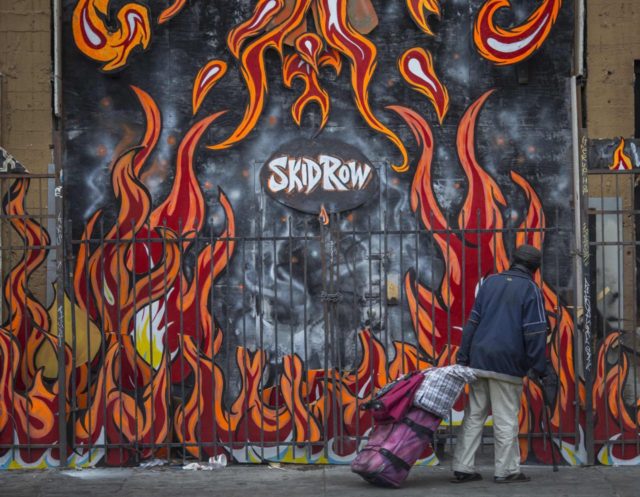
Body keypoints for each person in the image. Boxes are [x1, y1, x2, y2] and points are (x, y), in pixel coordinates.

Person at [450, 244, 548, 484]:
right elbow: (535, 332)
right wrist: (539, 367)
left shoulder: (490, 282)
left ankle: (463, 467)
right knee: (505, 418)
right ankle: (506, 470)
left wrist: (463, 356)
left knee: (474, 415)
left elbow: (473, 321)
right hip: (508, 362)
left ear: (513, 261)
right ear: (535, 268)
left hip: (479, 358)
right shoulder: (531, 289)